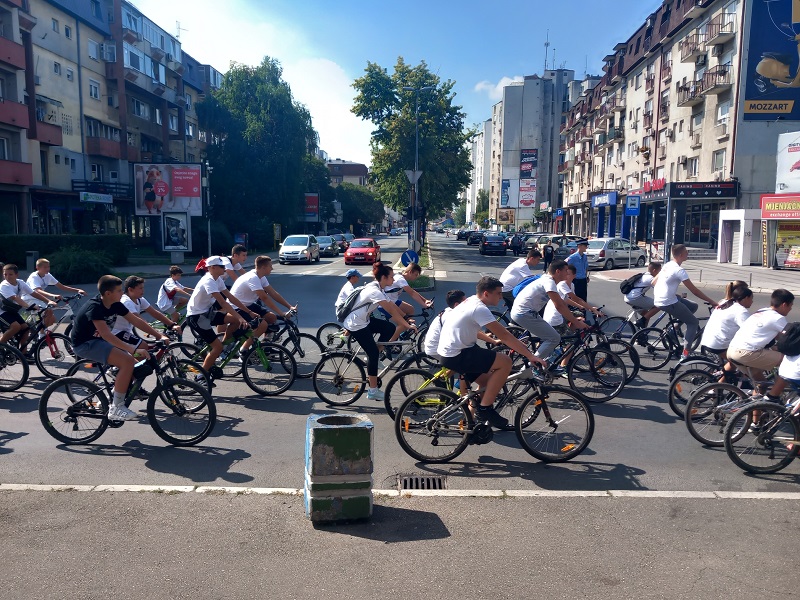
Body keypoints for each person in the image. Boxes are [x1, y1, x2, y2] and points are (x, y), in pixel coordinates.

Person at [437, 276, 546, 429]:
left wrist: (508, 344)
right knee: (505, 362)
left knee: (486, 383)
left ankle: (471, 425)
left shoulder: (470, 301)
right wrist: (530, 355)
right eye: (498, 293)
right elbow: (505, 335)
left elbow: (474, 328)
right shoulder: (479, 308)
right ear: (486, 293)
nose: (501, 296)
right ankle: (485, 409)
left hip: (454, 351)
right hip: (458, 353)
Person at [70, 275, 170, 421]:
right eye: (119, 291)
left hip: (98, 341)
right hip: (85, 344)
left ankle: (118, 386)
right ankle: (116, 408)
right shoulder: (95, 307)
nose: (122, 293)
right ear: (108, 293)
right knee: (128, 361)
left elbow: (136, 320)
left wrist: (158, 335)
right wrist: (133, 350)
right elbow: (106, 335)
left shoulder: (115, 304)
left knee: (131, 364)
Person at [343, 262, 414, 401]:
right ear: (383, 277)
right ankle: (373, 390)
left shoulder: (379, 288)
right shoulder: (374, 291)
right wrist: (406, 324)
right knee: (373, 353)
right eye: (391, 277)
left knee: (389, 328)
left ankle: (374, 354)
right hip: (356, 324)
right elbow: (390, 310)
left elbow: (392, 305)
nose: (393, 280)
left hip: (364, 320)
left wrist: (406, 318)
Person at [185, 256, 253, 375]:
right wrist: (240, 316)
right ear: (212, 267)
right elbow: (223, 302)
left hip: (206, 313)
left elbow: (231, 297)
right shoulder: (208, 281)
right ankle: (201, 376)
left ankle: (225, 347)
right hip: (196, 316)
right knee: (217, 347)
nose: (225, 269)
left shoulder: (218, 279)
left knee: (235, 321)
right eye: (222, 267)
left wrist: (248, 312)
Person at [511, 260, 590, 361]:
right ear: (558, 271)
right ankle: (533, 367)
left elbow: (563, 300)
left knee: (549, 336)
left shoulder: (546, 279)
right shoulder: (549, 282)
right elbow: (560, 306)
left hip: (525, 312)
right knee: (554, 338)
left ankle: (543, 363)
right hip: (524, 313)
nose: (567, 273)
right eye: (566, 270)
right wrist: (577, 323)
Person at [652, 244, 719, 360]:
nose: (688, 253)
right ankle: (686, 354)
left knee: (693, 306)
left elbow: (653, 282)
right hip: (668, 302)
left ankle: (673, 330)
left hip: (659, 299)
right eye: (686, 252)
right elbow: (694, 291)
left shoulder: (668, 265)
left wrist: (667, 292)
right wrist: (712, 301)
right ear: (681, 255)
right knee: (693, 322)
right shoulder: (680, 271)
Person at [728, 288, 794, 399]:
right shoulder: (778, 318)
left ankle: (753, 412)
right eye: (790, 305)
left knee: (761, 385)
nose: (791, 309)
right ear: (784, 305)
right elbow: (791, 338)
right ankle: (774, 397)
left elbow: (776, 336)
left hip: (732, 351)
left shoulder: (762, 311)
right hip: (747, 352)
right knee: (790, 362)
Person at [229, 255, 296, 357]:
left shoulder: (261, 277)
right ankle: (244, 349)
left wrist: (289, 306)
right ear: (263, 267)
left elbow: (273, 293)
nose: (272, 268)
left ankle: (266, 348)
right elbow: (264, 297)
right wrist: (281, 313)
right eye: (270, 266)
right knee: (263, 324)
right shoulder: (253, 277)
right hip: (237, 307)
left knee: (271, 317)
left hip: (248, 304)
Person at [0, 263, 56, 350]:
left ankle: (23, 354)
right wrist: (29, 306)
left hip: (12, 311)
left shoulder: (20, 283)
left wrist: (48, 300)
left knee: (26, 329)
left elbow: (33, 293)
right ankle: (1, 345)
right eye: (5, 274)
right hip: (2, 312)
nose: (7, 277)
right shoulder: (4, 285)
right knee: (16, 327)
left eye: (10, 274)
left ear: (16, 275)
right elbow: (16, 298)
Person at [22, 258, 86, 329]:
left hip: (38, 299)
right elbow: (38, 291)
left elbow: (61, 286)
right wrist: (53, 296)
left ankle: (37, 330)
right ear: (38, 268)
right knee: (48, 312)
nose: (47, 269)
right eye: (45, 267)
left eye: (48, 267)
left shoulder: (48, 275)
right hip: (28, 299)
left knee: (52, 319)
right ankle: (42, 336)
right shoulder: (34, 277)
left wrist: (77, 290)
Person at [623, 262, 662, 328]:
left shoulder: (644, 275)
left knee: (647, 315)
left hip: (628, 297)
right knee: (659, 305)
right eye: (659, 271)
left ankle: (642, 333)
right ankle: (641, 321)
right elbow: (661, 290)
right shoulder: (651, 278)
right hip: (635, 298)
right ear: (654, 270)